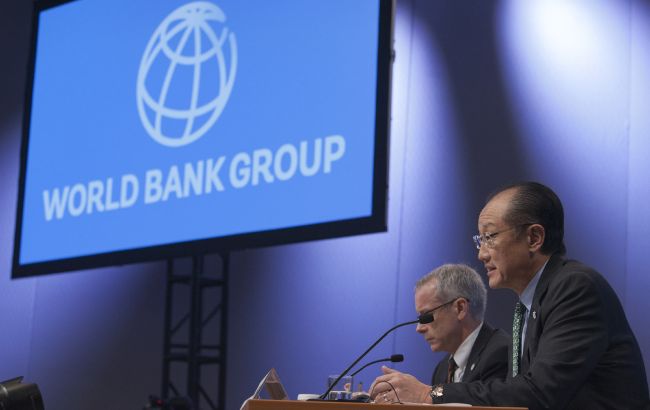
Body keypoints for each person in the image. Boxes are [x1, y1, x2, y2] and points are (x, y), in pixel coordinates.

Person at [372, 181, 650, 409]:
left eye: (490, 237)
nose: (481, 254)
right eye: (480, 240)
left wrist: (430, 394)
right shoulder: (529, 304)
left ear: (534, 238)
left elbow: (539, 393)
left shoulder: (575, 288)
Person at [370, 263, 509, 404]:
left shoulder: (500, 352)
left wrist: (425, 393)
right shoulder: (442, 369)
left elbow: (487, 397)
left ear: (460, 308)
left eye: (426, 316)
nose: (419, 328)